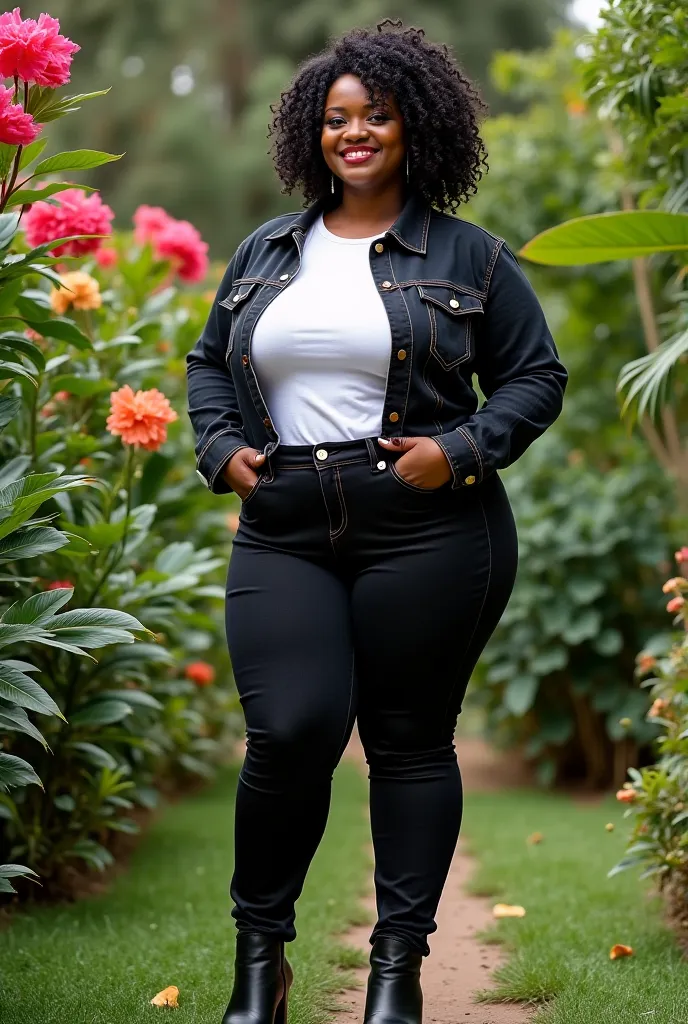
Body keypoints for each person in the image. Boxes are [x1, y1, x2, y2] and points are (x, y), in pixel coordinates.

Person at [186, 19, 568, 1024]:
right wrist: (222, 453)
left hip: (430, 522)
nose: (353, 134)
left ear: (416, 129)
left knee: (407, 740)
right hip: (285, 519)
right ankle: (259, 966)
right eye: (335, 119)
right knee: (289, 727)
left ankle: (395, 976)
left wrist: (462, 450)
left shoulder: (470, 257)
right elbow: (204, 363)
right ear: (312, 133)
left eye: (377, 117)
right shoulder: (267, 249)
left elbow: (534, 376)